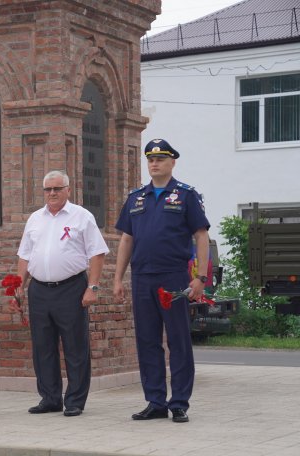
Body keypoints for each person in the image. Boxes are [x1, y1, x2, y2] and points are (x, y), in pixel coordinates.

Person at [113, 138, 210, 423]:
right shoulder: (136, 197)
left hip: (174, 277)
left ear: (172, 162)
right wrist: (118, 278)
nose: (154, 164)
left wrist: (200, 277)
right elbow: (126, 238)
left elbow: (201, 235)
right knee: (147, 341)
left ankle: (179, 402)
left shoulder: (185, 195)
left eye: (161, 159)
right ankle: (155, 401)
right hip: (142, 276)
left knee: (178, 339)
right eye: (150, 160)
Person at [14, 170, 108, 417]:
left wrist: (93, 287)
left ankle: (75, 400)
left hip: (71, 288)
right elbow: (25, 255)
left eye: (57, 188)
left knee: (75, 346)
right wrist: (19, 286)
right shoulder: (35, 218)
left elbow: (97, 253)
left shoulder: (82, 217)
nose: (52, 193)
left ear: (68, 189)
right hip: (39, 290)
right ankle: (50, 398)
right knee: (42, 346)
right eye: (48, 189)